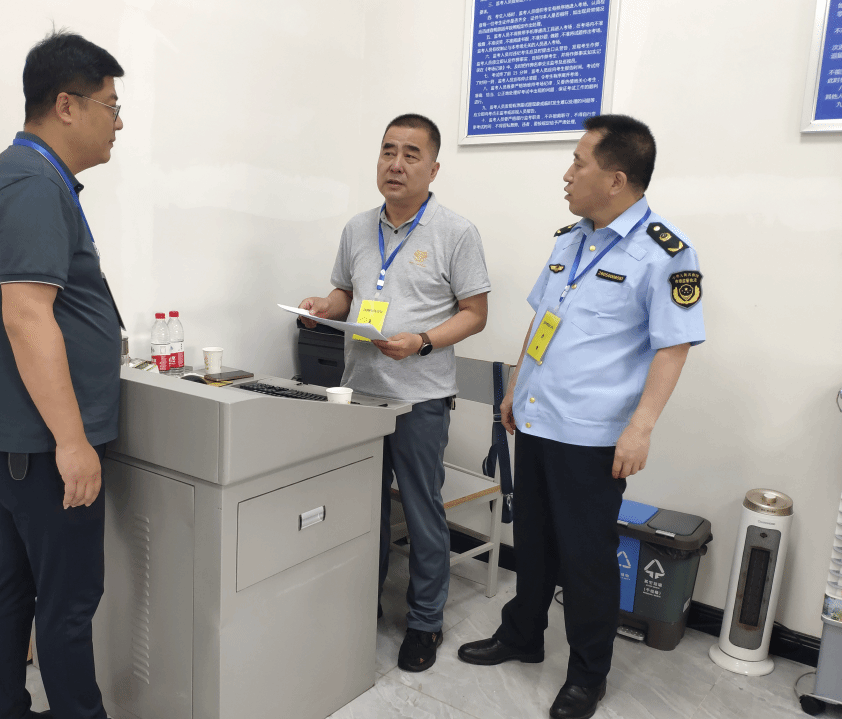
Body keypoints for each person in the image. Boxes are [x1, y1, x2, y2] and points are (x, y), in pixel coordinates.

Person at [456, 115, 705, 719]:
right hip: (538, 419)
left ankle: (588, 674)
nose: (567, 174)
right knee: (534, 540)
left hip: (593, 436)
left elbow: (673, 347)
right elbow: (544, 318)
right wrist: (517, 385)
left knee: (587, 559)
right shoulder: (572, 239)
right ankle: (523, 634)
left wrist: (640, 428)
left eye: (578, 162)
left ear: (616, 178)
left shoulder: (666, 253)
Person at [0, 30, 125, 719]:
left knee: (15, 579)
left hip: (17, 438)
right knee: (68, 601)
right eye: (111, 106)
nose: (119, 122)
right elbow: (28, 317)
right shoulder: (31, 184)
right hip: (43, 442)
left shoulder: (27, 176)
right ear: (66, 105)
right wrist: (73, 441)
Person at [299, 114, 490, 673]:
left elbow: (475, 313)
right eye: (388, 151)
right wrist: (324, 308)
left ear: (434, 168)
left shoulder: (456, 232)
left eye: (411, 154)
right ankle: (365, 602)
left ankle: (425, 622)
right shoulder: (358, 228)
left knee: (423, 511)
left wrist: (423, 341)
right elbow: (345, 292)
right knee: (364, 506)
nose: (396, 164)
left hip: (420, 398)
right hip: (359, 394)